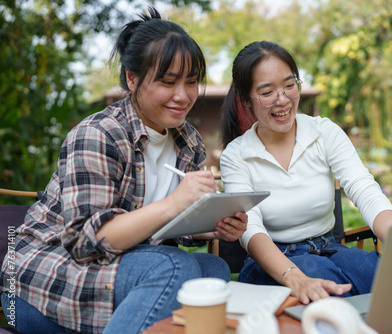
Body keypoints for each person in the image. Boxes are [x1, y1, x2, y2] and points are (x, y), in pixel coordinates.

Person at [0, 7, 247, 334]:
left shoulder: (188, 141)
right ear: (132, 78)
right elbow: (87, 242)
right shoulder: (99, 134)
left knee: (212, 270)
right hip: (38, 285)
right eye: (168, 81)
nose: (183, 95)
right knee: (173, 267)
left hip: (119, 271)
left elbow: (170, 228)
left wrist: (213, 224)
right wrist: (175, 203)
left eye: (191, 82)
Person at [219, 41, 392, 305]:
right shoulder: (236, 155)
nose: (283, 100)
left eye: (289, 85)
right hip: (273, 263)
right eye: (267, 92)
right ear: (246, 100)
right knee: (322, 283)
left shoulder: (324, 132)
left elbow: (364, 189)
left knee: (384, 275)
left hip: (328, 248)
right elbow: (251, 229)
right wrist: (294, 277)